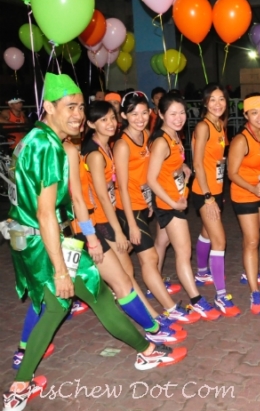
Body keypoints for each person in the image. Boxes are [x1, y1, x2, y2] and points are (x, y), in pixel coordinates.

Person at [2, 73, 186, 411]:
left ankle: (20, 383)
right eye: (69, 107)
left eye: (80, 107)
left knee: (62, 305)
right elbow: (45, 213)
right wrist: (60, 269)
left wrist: (85, 237)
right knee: (83, 297)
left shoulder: (35, 140)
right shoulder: (48, 146)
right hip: (46, 241)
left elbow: (63, 201)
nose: (77, 115)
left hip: (31, 240)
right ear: (48, 107)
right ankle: (147, 350)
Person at [80, 100, 186, 344]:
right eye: (103, 120)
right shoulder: (100, 153)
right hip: (103, 221)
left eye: (111, 118)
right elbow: (106, 196)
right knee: (128, 274)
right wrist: (120, 230)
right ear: (91, 124)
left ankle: (152, 318)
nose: (110, 123)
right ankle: (154, 321)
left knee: (125, 274)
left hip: (118, 214)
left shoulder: (109, 145)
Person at [113, 91, 199, 325]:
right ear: (124, 116)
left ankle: (151, 295)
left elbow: (156, 168)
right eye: (133, 114)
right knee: (149, 258)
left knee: (155, 248)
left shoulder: (145, 135)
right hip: (129, 208)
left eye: (144, 113)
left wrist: (181, 167)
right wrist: (131, 224)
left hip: (144, 203)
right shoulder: (122, 144)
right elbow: (122, 187)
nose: (140, 118)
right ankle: (170, 308)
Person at [147, 93, 222, 321]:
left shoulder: (174, 135)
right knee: (184, 252)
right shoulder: (161, 141)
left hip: (174, 199)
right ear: (161, 115)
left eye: (181, 113)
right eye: (173, 114)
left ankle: (153, 283)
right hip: (169, 204)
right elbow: (151, 179)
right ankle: (196, 300)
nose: (179, 118)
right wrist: (171, 203)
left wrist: (183, 168)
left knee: (162, 242)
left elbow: (170, 164)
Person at [191, 83, 240, 317]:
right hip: (204, 192)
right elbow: (198, 163)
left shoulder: (220, 124)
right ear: (205, 103)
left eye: (221, 99)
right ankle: (221, 296)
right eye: (212, 99)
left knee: (208, 233)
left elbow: (216, 160)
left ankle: (202, 272)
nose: (218, 104)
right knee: (219, 241)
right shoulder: (203, 126)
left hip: (216, 189)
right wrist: (208, 197)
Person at [227, 93, 260, 315]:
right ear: (246, 115)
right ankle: (254, 292)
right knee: (253, 239)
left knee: (252, 238)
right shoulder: (241, 140)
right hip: (244, 194)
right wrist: (252, 188)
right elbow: (232, 173)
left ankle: (249, 271)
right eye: (254, 113)